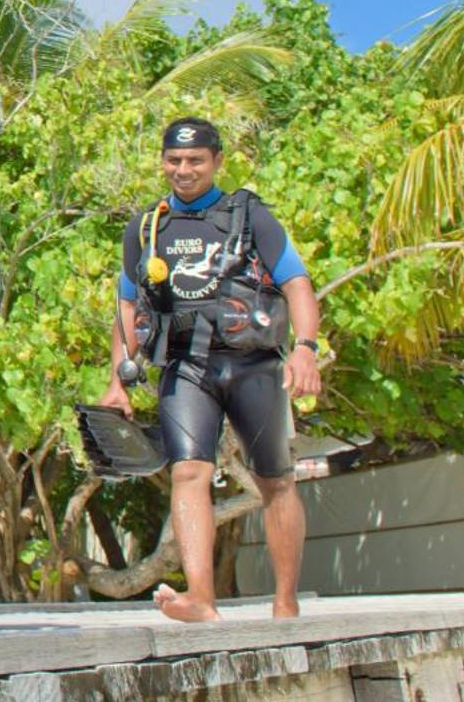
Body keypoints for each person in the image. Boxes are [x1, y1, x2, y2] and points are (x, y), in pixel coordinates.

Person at [98, 117, 323, 623]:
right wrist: (117, 378)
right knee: (188, 470)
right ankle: (200, 596)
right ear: (162, 162)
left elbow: (298, 284)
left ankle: (285, 600)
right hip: (187, 366)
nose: (184, 170)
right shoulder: (147, 227)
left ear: (217, 161)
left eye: (196, 160)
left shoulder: (249, 215)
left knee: (275, 480)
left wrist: (305, 348)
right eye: (174, 160)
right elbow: (127, 305)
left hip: (252, 365)